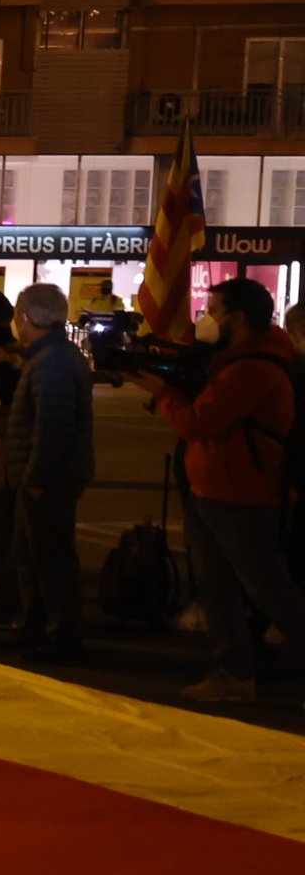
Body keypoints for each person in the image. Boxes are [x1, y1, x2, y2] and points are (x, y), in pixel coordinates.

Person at [148, 277, 303, 705]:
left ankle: (238, 672)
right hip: (213, 490)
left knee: (269, 590)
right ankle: (234, 674)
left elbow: (197, 422)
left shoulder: (253, 368)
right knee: (217, 588)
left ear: (238, 319)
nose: (206, 318)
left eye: (213, 311)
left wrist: (161, 390)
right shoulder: (233, 360)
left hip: (243, 495)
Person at [1, 283, 94, 662]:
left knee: (48, 558)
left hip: (47, 478)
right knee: (33, 554)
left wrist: (37, 478)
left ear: (25, 319)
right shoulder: (50, 356)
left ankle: (59, 634)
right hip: (46, 474)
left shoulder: (50, 361)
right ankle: (35, 626)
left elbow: (52, 426)